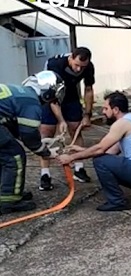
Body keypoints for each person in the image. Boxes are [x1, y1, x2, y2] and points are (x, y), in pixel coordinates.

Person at [57, 92, 131, 212]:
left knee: (100, 162)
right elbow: (110, 152)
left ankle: (117, 201)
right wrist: (80, 151)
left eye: (106, 108)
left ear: (116, 110)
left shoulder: (121, 124)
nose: (103, 111)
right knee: (104, 160)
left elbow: (100, 150)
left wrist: (71, 158)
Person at [0, 71, 64, 215]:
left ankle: (6, 190)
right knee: (14, 156)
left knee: (4, 154)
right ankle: (8, 201)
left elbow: (13, 126)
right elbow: (28, 135)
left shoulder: (19, 92)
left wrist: (41, 142)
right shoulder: (31, 102)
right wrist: (46, 152)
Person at [39, 47, 95, 191]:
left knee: (76, 128)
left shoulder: (88, 67)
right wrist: (61, 120)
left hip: (70, 95)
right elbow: (53, 98)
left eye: (82, 67)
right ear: (71, 57)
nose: (78, 70)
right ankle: (45, 174)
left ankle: (79, 168)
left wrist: (87, 114)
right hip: (51, 95)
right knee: (46, 132)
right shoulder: (55, 64)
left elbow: (88, 89)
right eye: (76, 65)